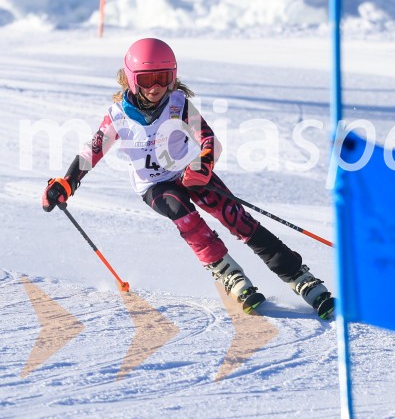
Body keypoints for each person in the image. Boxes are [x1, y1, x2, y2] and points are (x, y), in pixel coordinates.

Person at [41, 38, 335, 320]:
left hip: (191, 172)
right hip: (155, 186)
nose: (156, 87)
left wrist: (203, 163)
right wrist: (67, 182)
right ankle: (227, 272)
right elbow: (91, 152)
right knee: (182, 212)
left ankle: (301, 278)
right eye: (146, 80)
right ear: (131, 80)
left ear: (174, 76)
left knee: (237, 218)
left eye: (163, 77)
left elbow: (209, 139)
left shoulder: (178, 104)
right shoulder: (118, 116)